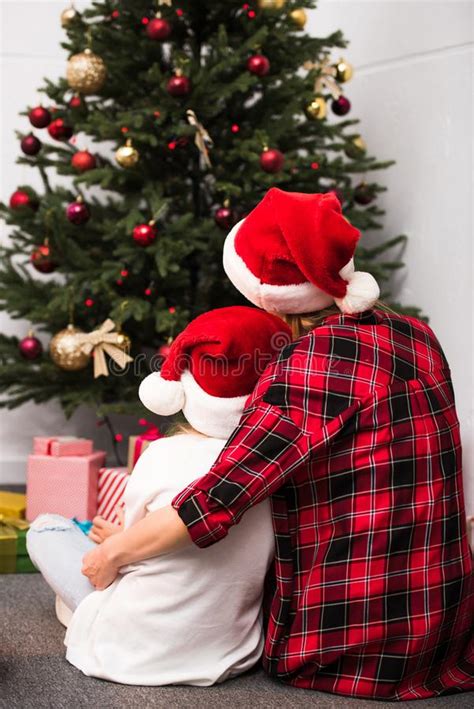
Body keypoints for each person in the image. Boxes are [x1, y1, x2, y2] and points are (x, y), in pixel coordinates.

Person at [81, 189, 473, 700]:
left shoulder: (305, 366)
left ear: (264, 292)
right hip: (444, 631)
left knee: (89, 560)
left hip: (345, 648)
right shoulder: (416, 334)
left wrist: (116, 553)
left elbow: (215, 500)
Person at [27, 306, 291, 686]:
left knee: (47, 529)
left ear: (180, 386)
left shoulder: (162, 455)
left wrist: (120, 539)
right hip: (229, 650)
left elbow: (126, 555)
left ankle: (87, 612)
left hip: (133, 645)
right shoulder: (276, 464)